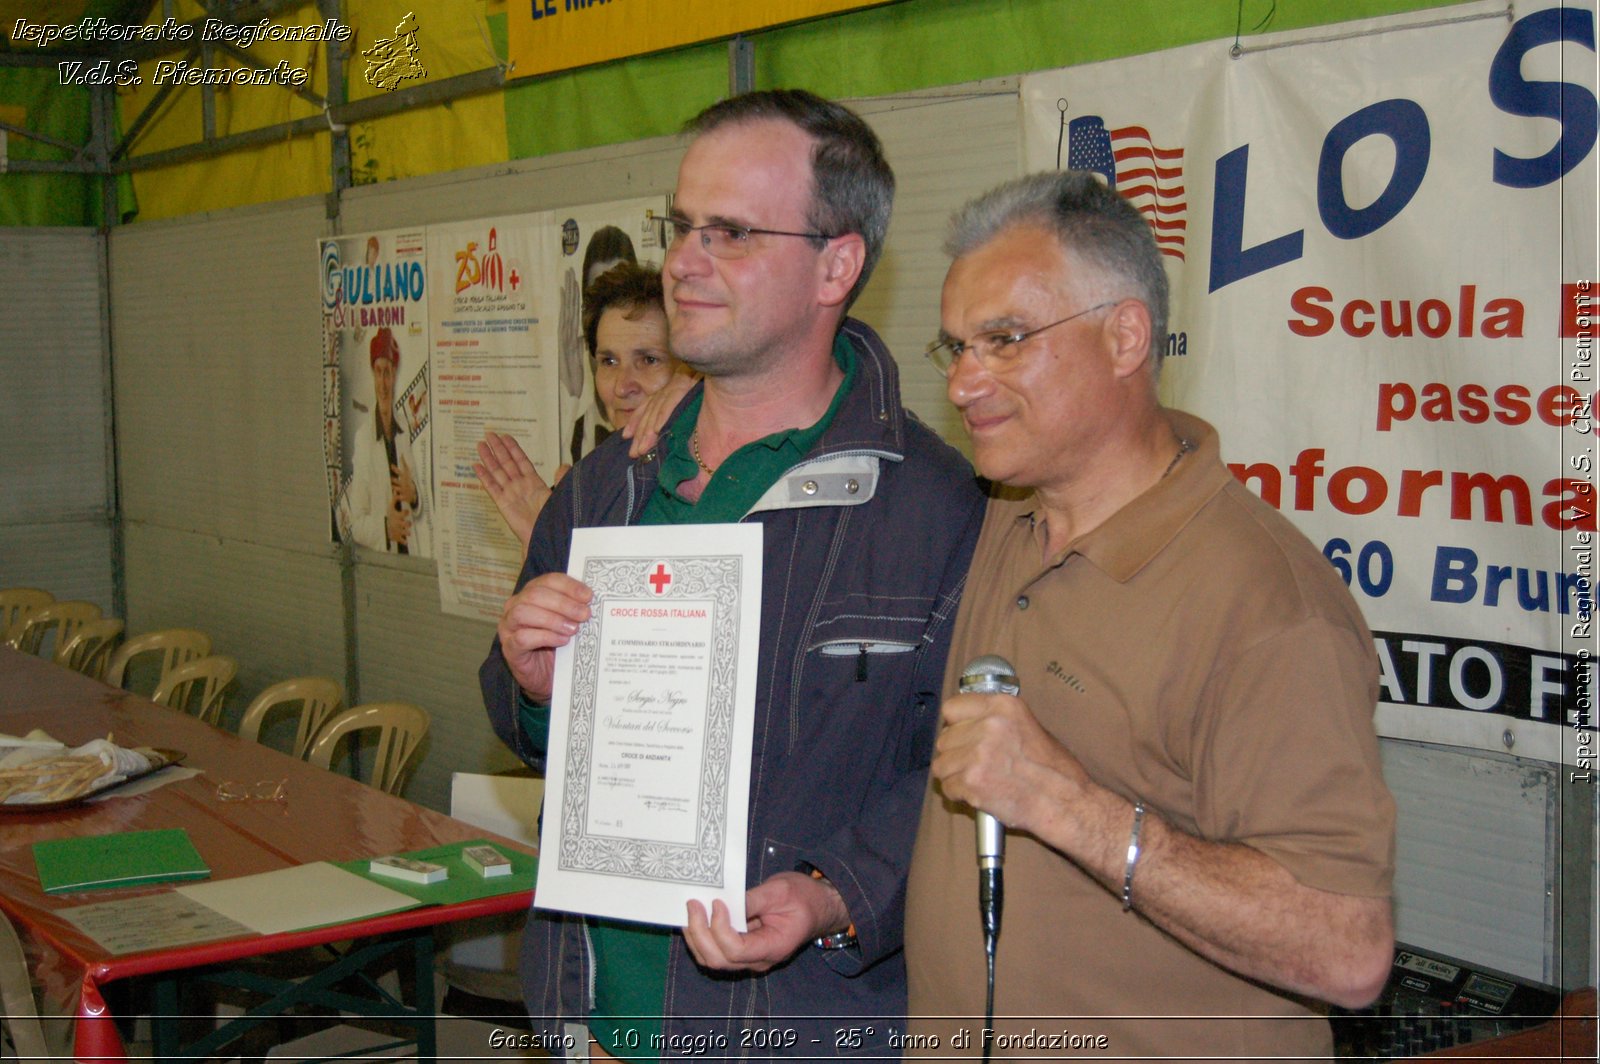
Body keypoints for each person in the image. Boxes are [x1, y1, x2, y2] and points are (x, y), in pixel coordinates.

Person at [480, 89, 984, 1059]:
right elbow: (518, 716)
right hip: (588, 1025)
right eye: (680, 225)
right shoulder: (602, 487)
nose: (682, 261)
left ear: (837, 262)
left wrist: (836, 889)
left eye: (731, 231)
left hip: (790, 1031)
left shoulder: (929, 508)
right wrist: (533, 682)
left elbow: (958, 782)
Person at [903, 171, 1396, 1059]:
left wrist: (1069, 806)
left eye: (1005, 340)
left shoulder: (1268, 602)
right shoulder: (999, 518)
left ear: (1125, 335)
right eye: (956, 348)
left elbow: (1347, 948)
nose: (967, 382)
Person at [474, 263, 692, 552]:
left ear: (689, 368)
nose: (622, 386)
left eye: (649, 360)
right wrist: (548, 546)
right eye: (609, 362)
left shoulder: (701, 481)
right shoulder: (590, 486)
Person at [341, 326, 427, 554]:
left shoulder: (403, 428)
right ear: (372, 374)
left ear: (394, 375)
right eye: (378, 372)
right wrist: (384, 528)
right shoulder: (363, 439)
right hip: (386, 558)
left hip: (411, 554)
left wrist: (414, 495)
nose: (383, 382)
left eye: (387, 372)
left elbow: (415, 498)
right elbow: (355, 523)